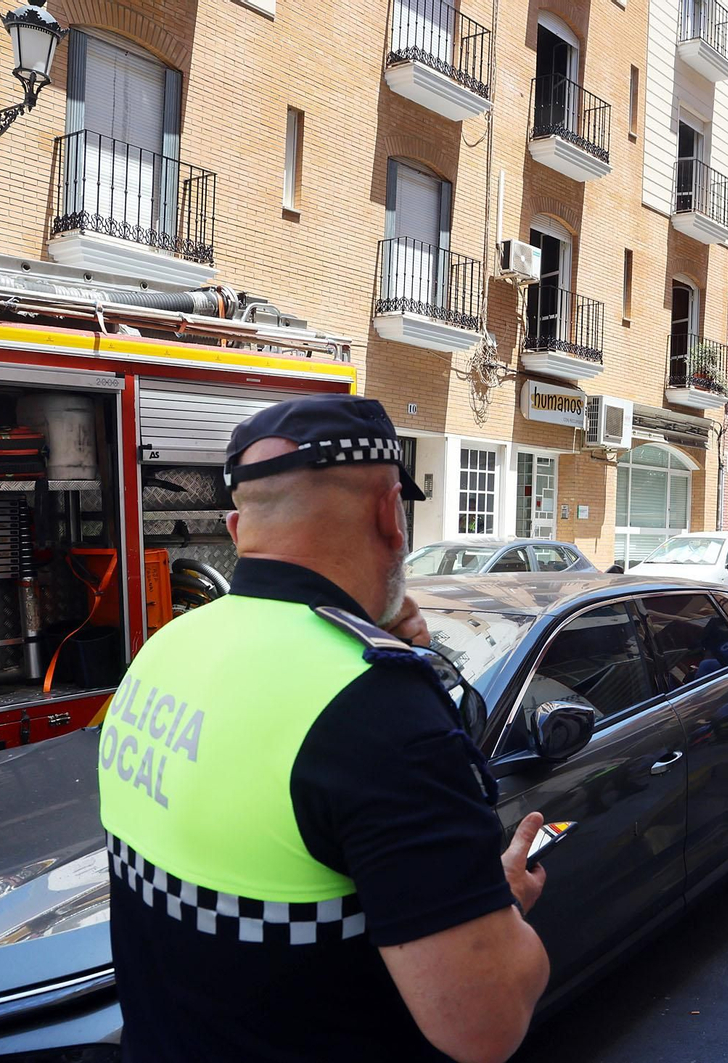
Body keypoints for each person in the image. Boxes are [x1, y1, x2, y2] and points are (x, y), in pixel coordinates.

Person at [98, 395, 549, 1063]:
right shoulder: (381, 710)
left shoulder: (166, 648)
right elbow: (485, 1026)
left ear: (237, 526)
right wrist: (500, 903)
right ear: (390, 512)